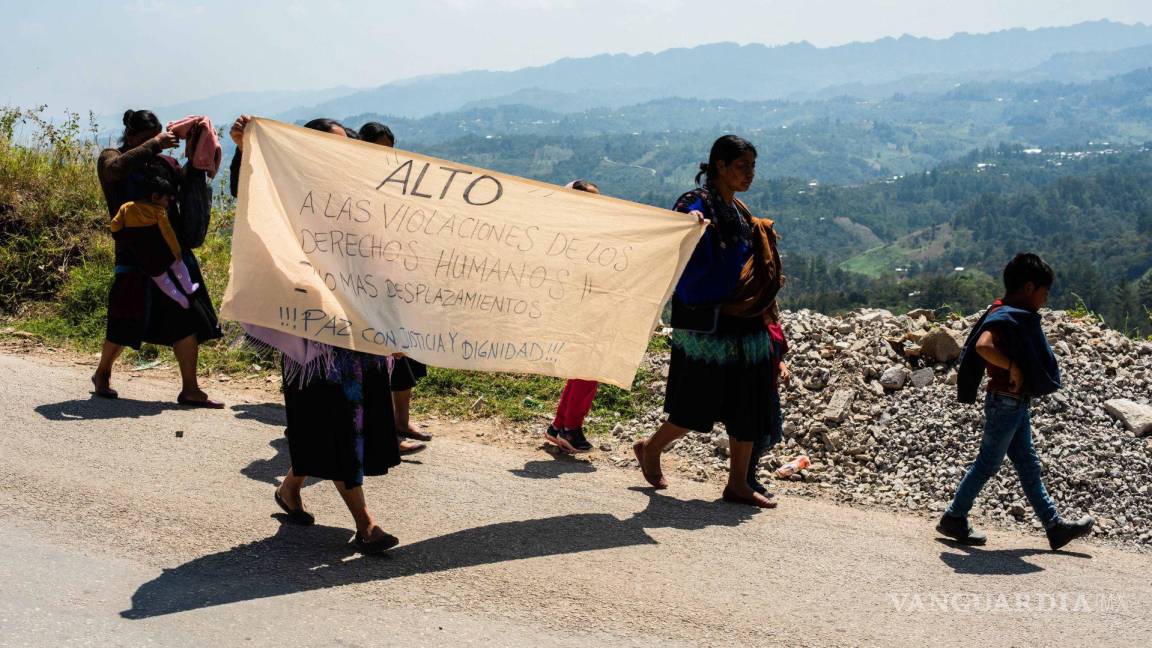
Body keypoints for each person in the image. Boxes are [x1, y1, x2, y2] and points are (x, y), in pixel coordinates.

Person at [229, 115, 402, 554]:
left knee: (334, 427)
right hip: (316, 339)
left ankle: (290, 489)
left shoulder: (357, 196)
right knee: (339, 425)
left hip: (359, 330)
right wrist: (245, 151)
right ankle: (366, 525)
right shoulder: (292, 197)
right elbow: (252, 201)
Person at [633, 135, 787, 508]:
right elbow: (678, 234)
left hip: (743, 316)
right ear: (719, 165)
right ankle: (651, 448)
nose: (749, 173)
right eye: (741, 166)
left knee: (749, 400)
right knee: (696, 405)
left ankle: (737, 484)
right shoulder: (695, 204)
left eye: (752, 166)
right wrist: (690, 226)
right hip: (706, 322)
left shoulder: (739, 209)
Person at [938, 253, 1094, 550]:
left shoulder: (1007, 311)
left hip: (1015, 402)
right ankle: (954, 516)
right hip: (1005, 401)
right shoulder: (1005, 314)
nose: (1045, 300)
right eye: (1044, 293)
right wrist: (1013, 366)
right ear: (1028, 287)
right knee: (988, 463)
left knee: (1027, 463)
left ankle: (1054, 526)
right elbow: (984, 346)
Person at [94, 109, 222, 407]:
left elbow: (186, 191)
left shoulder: (164, 164)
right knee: (126, 319)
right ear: (132, 136)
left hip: (171, 254)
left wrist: (197, 153)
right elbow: (115, 170)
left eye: (155, 140)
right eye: (145, 140)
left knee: (186, 318)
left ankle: (190, 388)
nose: (152, 145)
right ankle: (102, 372)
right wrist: (154, 145)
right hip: (134, 254)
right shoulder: (112, 157)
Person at [357, 120, 429, 455]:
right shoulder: (354, 185)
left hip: (395, 282)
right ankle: (386, 434)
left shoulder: (396, 183)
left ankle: (402, 421)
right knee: (381, 360)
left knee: (404, 356)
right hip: (367, 286)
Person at [544, 180, 603, 454]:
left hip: (580, 308)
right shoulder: (574, 235)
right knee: (589, 368)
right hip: (580, 309)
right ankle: (571, 428)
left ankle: (559, 426)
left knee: (581, 369)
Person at [109, 168, 201, 309]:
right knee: (179, 266)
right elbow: (167, 232)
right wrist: (176, 251)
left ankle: (180, 299)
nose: (168, 202)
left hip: (146, 259)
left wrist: (119, 235)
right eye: (166, 199)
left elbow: (115, 224)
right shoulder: (158, 211)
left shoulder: (126, 207)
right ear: (155, 197)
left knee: (163, 282)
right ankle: (188, 287)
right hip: (163, 252)